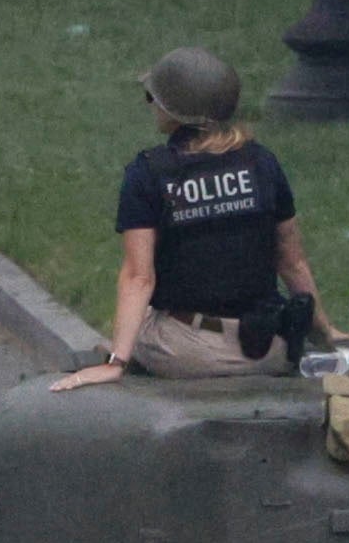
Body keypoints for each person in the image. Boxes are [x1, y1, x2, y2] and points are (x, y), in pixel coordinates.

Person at [54, 46, 314, 383]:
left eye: (153, 97)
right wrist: (327, 333)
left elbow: (139, 277)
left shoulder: (148, 173)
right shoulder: (262, 163)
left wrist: (115, 362)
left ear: (174, 112)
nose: (151, 104)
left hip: (188, 355)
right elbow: (292, 262)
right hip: (268, 350)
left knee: (145, 323)